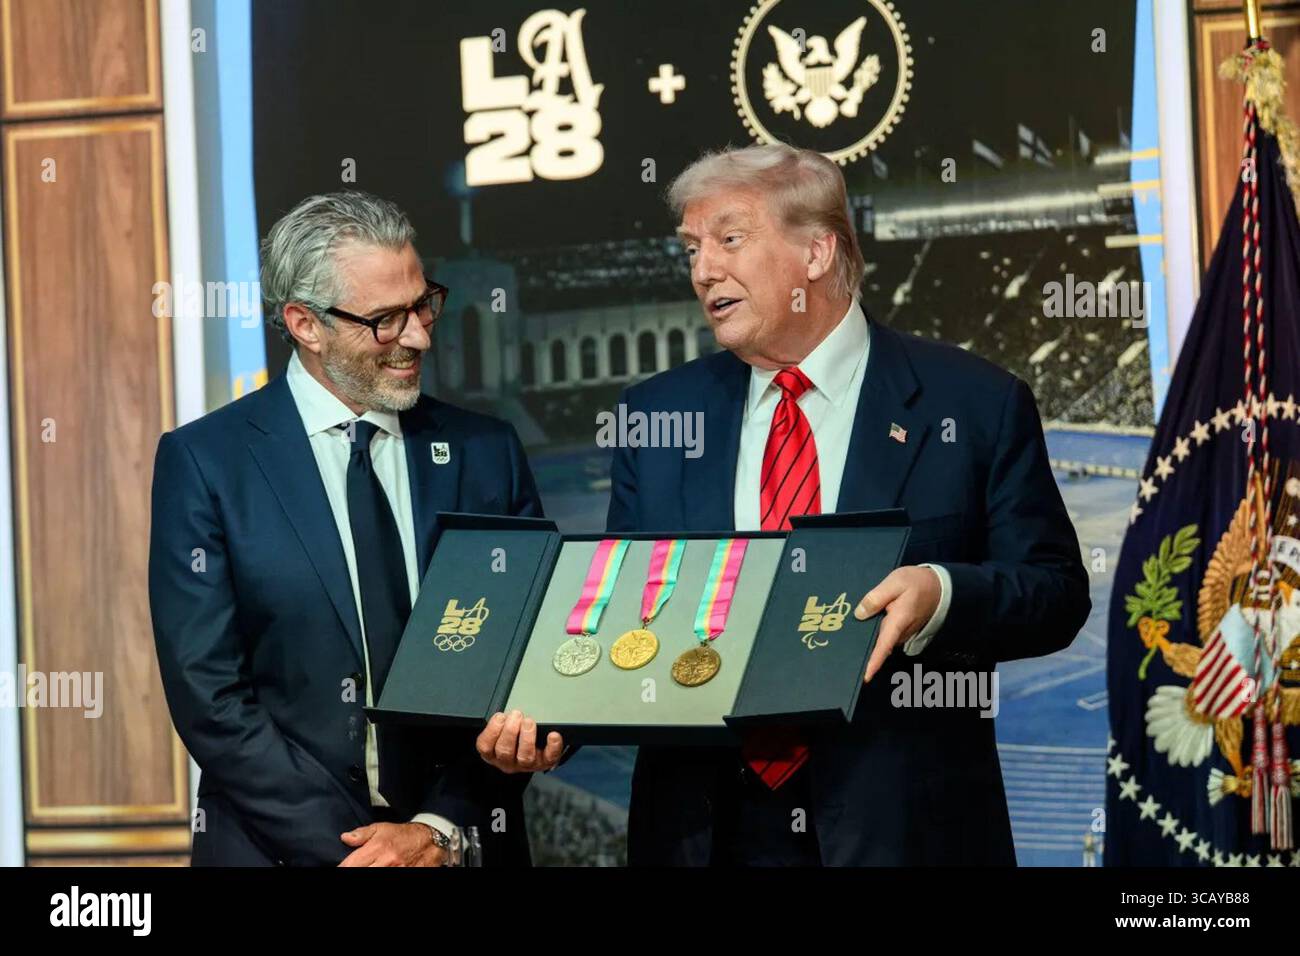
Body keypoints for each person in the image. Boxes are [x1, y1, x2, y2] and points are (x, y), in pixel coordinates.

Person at [477, 144, 1090, 865]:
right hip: (707, 838)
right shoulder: (656, 414)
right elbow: (627, 611)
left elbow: (1055, 591)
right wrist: (552, 724)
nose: (704, 270)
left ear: (818, 252)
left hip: (903, 834)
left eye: (730, 239)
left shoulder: (975, 403)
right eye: (692, 248)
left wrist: (943, 592)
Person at [150, 191, 542, 866]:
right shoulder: (207, 462)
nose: (418, 335)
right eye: (386, 319)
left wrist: (435, 830)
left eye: (424, 305)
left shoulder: (486, 451)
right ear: (304, 323)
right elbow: (210, 696)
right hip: (279, 849)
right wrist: (364, 852)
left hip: (460, 845)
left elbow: (529, 659)